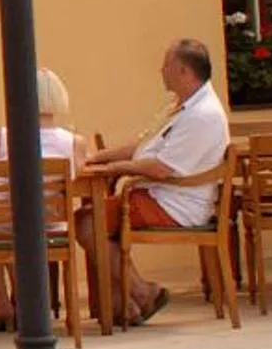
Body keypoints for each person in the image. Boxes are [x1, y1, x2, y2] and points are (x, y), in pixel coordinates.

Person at [84, 38, 231, 325]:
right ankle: (126, 302)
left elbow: (162, 167)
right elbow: (143, 146)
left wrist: (115, 168)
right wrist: (98, 158)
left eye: (166, 65)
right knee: (94, 219)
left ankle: (138, 294)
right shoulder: (182, 107)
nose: (161, 71)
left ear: (184, 72)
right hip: (160, 195)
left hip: (176, 204)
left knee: (89, 222)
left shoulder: (203, 116)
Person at [0, 67, 85, 332]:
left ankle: (1, 302)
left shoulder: (0, 136)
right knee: (16, 226)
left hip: (2, 223)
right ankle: (27, 303)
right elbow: (74, 183)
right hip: (49, 225)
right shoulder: (74, 142)